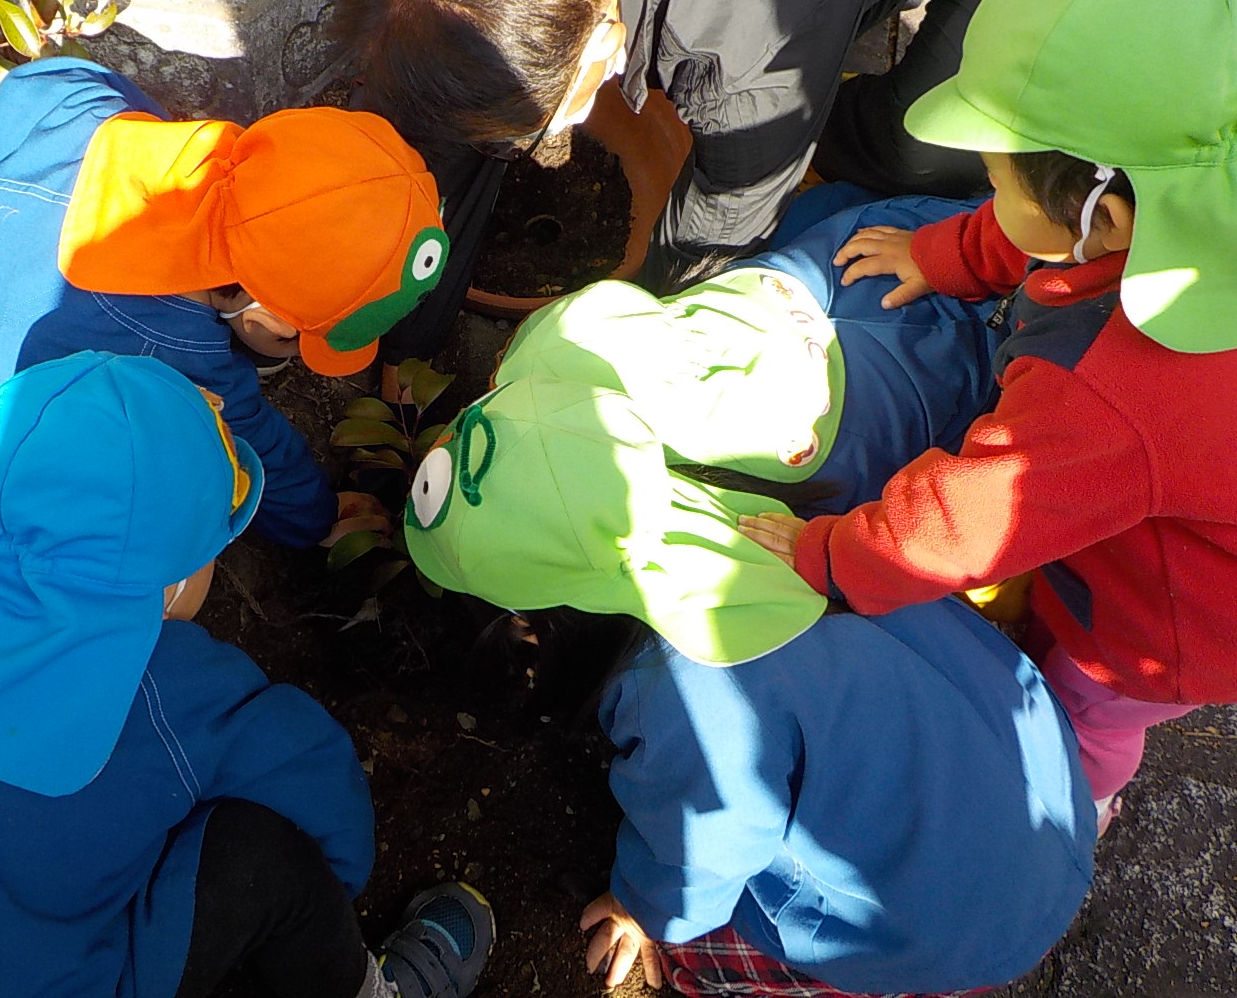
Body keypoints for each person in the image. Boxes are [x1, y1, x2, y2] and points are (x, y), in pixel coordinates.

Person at [0, 351, 494, 998]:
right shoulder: (172, 689)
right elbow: (316, 786)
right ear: (171, 584)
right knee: (263, 859)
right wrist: (336, 877)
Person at [333, 0, 1177, 365]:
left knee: (932, 140)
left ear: (603, 44)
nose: (548, 146)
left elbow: (718, 225)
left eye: (550, 123)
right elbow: (452, 73)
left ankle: (840, 130)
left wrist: (612, 336)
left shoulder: (745, 40)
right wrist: (407, 319)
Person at [738, 0, 1237, 831]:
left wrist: (830, 554)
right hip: (1171, 502)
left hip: (1164, 621)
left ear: (1107, 220)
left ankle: (1078, 807)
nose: (990, 191)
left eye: (995, 180)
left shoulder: (1109, 390)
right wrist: (946, 255)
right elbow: (1050, 226)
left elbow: (961, 527)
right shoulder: (1190, 196)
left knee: (1085, 704)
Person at [401, 375, 1094, 996]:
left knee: (700, 956)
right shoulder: (729, 506)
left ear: (529, 623)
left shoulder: (679, 695)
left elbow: (705, 846)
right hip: (1041, 782)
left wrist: (645, 908)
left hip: (964, 923)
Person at [0, 57, 449, 552]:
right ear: (263, 318)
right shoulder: (177, 360)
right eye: (297, 339)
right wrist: (318, 520)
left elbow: (35, 83)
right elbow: (256, 450)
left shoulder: (87, 110)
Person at [490, 189, 1006, 517]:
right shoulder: (733, 285)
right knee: (817, 208)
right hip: (928, 237)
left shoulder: (819, 486)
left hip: (978, 370)